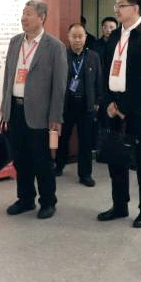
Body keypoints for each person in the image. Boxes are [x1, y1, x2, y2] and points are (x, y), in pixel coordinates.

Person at [0, 0, 67, 219]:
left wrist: (56, 116)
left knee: (42, 160)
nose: (23, 18)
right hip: (15, 111)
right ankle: (25, 199)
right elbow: (8, 76)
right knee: (20, 159)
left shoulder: (54, 46)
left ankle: (48, 201)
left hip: (41, 115)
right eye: (23, 13)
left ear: (41, 17)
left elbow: (59, 86)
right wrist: (5, 107)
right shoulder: (15, 42)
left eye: (28, 14)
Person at [98, 0, 141, 228]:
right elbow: (105, 73)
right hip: (113, 107)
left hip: (138, 109)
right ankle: (119, 205)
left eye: (121, 5)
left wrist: (123, 105)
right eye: (116, 5)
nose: (116, 10)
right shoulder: (114, 36)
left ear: (134, 8)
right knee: (116, 157)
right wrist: (108, 103)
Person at [53, 22, 101, 187]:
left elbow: (98, 80)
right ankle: (59, 166)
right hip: (66, 105)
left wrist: (97, 101)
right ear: (68, 37)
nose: (77, 40)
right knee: (62, 138)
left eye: (80, 36)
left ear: (85, 37)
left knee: (86, 142)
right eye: (74, 36)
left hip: (86, 105)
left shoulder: (93, 56)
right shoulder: (61, 55)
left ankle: (85, 174)